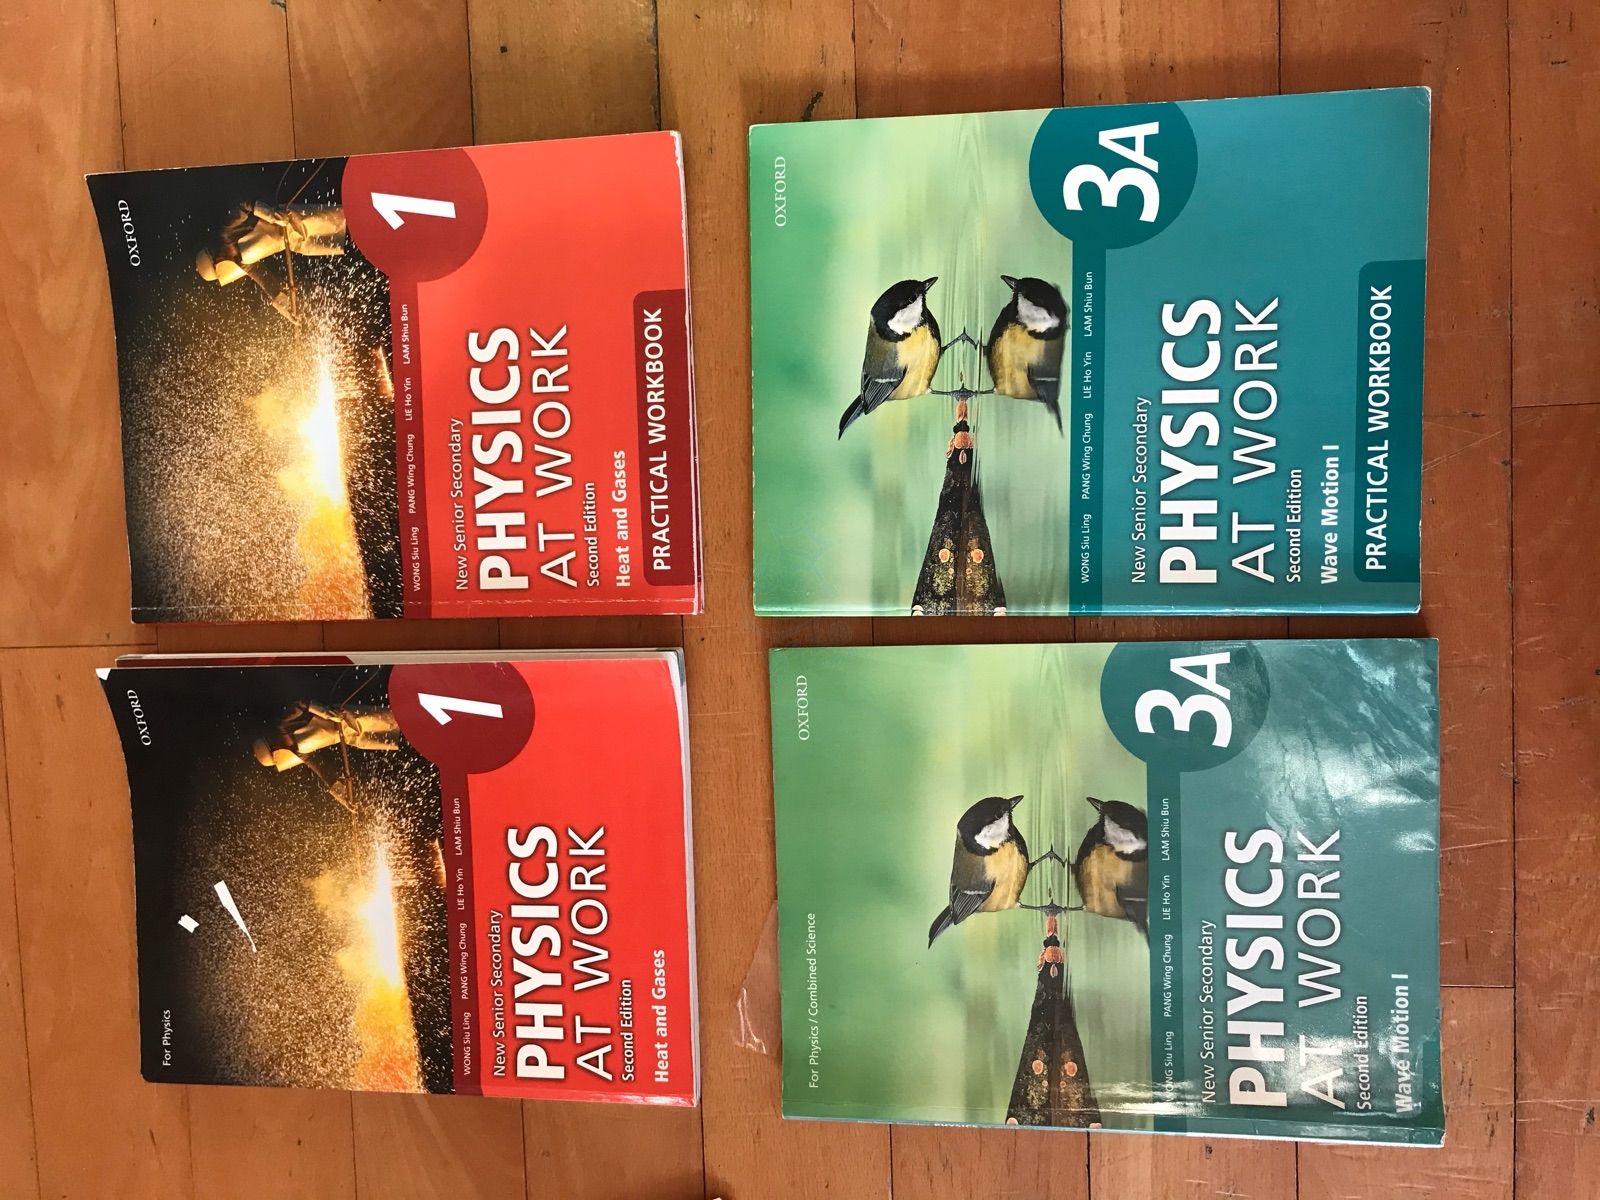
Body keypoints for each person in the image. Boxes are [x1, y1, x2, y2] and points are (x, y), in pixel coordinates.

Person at [195, 201, 348, 323]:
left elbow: (245, 206)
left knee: (335, 219)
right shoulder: (242, 262)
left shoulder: (227, 231)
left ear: (216, 259)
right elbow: (266, 281)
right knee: (334, 241)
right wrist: (286, 307)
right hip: (293, 241)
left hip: (288, 219)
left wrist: (271, 215)